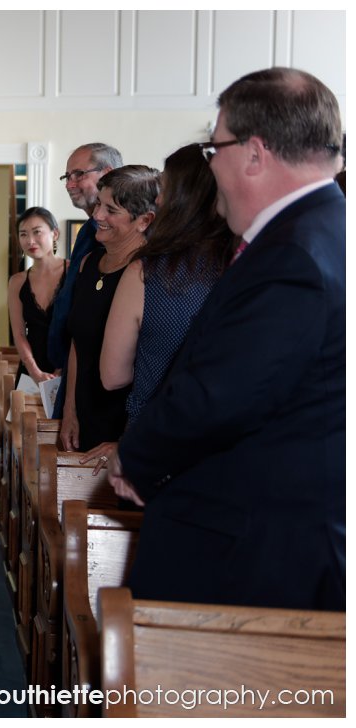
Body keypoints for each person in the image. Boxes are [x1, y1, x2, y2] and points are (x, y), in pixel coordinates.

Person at [109, 68, 345, 611]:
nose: (210, 164)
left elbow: (221, 394)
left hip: (248, 551)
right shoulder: (320, 233)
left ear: (254, 154)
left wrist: (134, 457)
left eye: (214, 148)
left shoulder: (294, 254)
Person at [100, 144, 236, 423]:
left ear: (184, 197)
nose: (158, 199)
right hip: (223, 433)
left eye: (165, 187)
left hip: (156, 429)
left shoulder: (145, 273)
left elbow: (113, 377)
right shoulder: (243, 265)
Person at [60, 166, 159, 456]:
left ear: (144, 220)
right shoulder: (88, 263)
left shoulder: (149, 274)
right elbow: (78, 342)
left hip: (125, 422)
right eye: (99, 205)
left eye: (111, 210)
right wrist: (69, 410)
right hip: (84, 413)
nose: (97, 216)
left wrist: (129, 440)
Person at [47, 143, 123, 417]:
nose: (70, 184)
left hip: (97, 375)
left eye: (79, 174)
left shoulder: (117, 237)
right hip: (72, 364)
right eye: (67, 177)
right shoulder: (87, 232)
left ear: (107, 173)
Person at [6, 206, 68, 384]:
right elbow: (19, 334)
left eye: (37, 232)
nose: (30, 241)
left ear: (54, 234)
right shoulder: (17, 282)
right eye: (23, 234)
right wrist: (35, 372)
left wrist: (64, 366)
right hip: (31, 371)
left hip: (71, 366)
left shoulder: (75, 271)